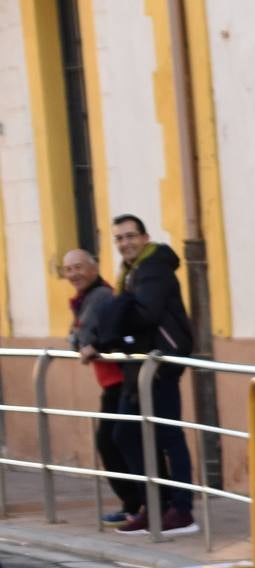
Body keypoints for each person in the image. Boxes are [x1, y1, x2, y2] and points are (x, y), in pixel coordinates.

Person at [81, 215, 199, 535]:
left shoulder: (154, 267)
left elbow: (145, 313)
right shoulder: (132, 272)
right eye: (119, 238)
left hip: (160, 361)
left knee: (167, 436)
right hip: (141, 364)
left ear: (145, 237)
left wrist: (108, 335)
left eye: (130, 236)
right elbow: (133, 312)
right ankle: (156, 505)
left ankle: (182, 510)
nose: (125, 243)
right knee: (127, 434)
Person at [60, 248, 139, 524]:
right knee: (114, 443)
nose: (74, 274)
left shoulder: (100, 296)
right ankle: (134, 504)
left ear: (94, 268)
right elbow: (77, 338)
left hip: (121, 380)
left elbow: (83, 337)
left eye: (79, 267)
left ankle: (139, 504)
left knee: (115, 442)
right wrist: (80, 340)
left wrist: (81, 341)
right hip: (111, 382)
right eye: (68, 269)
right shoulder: (86, 299)